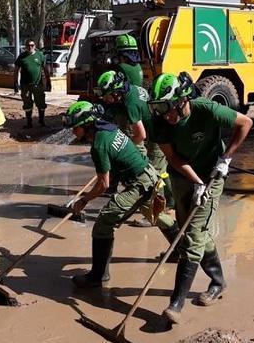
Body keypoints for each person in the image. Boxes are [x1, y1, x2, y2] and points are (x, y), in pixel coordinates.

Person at [148, 72, 253, 324]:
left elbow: (245, 123)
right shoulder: (160, 122)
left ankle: (176, 304)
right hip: (182, 175)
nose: (166, 116)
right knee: (192, 232)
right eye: (160, 110)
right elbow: (173, 158)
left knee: (194, 236)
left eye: (169, 109)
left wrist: (226, 158)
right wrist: (195, 182)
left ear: (183, 101)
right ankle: (218, 281)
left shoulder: (206, 109)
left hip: (213, 173)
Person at [64, 101, 178, 288]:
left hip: (139, 183)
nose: (72, 132)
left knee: (103, 225)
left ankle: (98, 276)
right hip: (150, 176)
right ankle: (180, 249)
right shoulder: (109, 129)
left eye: (75, 128)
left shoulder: (99, 145)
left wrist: (83, 200)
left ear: (87, 125)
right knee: (156, 215)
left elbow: (103, 185)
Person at [95, 70, 151, 196]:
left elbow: (141, 135)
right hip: (143, 122)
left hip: (156, 131)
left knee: (153, 167)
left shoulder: (130, 103)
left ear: (116, 92)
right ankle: (113, 186)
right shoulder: (126, 91)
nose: (104, 98)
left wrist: (124, 148)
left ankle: (164, 201)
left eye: (106, 95)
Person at [13, 39, 50, 128]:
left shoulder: (40, 56)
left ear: (35, 46)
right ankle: (29, 122)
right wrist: (15, 83)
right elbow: (16, 71)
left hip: (38, 85)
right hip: (25, 85)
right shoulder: (21, 57)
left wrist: (48, 81)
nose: (30, 47)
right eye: (28, 45)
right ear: (25, 46)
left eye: (32, 45)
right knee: (27, 103)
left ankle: (41, 121)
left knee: (41, 103)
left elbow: (46, 70)